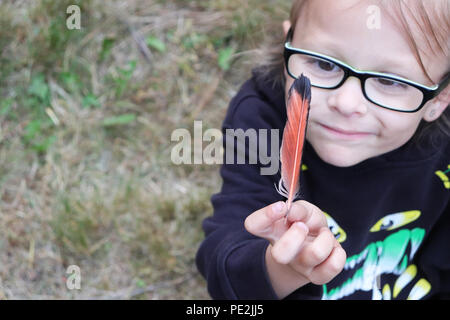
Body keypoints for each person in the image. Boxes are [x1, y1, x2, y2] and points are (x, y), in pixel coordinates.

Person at [196, 0, 450, 300]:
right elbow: (225, 267)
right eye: (324, 64)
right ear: (288, 44)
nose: (346, 104)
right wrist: (281, 267)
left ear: (438, 101)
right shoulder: (260, 119)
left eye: (389, 81)